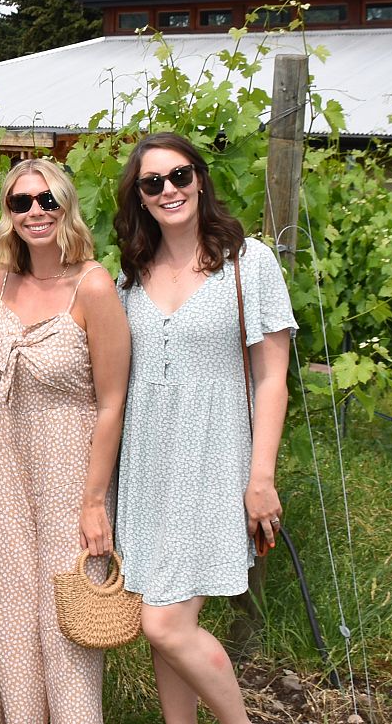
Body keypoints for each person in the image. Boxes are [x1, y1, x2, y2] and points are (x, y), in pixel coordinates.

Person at [112, 132, 295, 724]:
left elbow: (272, 379)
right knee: (165, 623)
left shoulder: (249, 263)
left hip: (213, 462)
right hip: (146, 469)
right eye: (153, 182)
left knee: (163, 622)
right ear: (139, 197)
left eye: (180, 175)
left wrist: (260, 477)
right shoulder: (132, 273)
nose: (169, 190)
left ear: (200, 179)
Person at [0, 157, 130, 724]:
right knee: (14, 610)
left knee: (66, 616)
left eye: (47, 200)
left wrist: (95, 501)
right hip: (8, 462)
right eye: (21, 202)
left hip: (71, 465)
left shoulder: (92, 285)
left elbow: (112, 401)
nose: (35, 211)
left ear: (66, 206)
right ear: (8, 213)